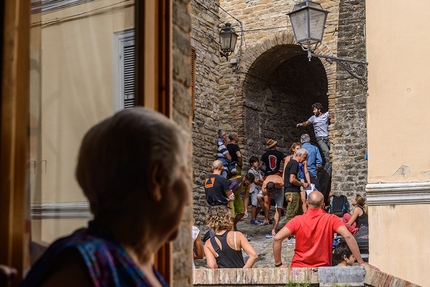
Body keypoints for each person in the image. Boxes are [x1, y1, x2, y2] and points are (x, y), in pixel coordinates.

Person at [21, 107, 191, 287]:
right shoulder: (83, 269)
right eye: (185, 173)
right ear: (157, 179)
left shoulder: (134, 263)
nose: (188, 196)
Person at [273, 191, 376, 269]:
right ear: (323, 205)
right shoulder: (331, 219)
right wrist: (361, 262)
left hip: (298, 269)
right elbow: (348, 236)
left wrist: (279, 264)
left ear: (307, 204)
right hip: (322, 270)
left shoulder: (297, 220)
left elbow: (277, 238)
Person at [283, 142, 311, 213]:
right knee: (295, 198)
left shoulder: (303, 160)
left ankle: (304, 215)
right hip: (293, 179)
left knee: (303, 199)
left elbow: (306, 172)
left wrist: (308, 182)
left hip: (300, 178)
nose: (299, 149)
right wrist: (284, 181)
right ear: (293, 149)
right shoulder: (289, 158)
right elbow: (285, 170)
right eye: (297, 148)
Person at [247, 156, 265, 225]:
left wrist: (260, 181)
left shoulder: (257, 171)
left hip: (259, 189)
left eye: (257, 161)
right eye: (255, 162)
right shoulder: (250, 171)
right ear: (252, 163)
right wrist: (260, 182)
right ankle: (253, 219)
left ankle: (255, 218)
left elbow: (262, 179)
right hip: (254, 189)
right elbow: (255, 181)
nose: (257, 163)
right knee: (254, 204)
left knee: (259, 205)